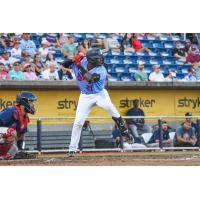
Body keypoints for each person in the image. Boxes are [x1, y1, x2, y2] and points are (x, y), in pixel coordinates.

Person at [63, 49, 133, 157]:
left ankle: (124, 131)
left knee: (109, 106)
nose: (101, 59)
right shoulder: (83, 61)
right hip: (85, 95)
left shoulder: (102, 69)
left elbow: (89, 79)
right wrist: (75, 58)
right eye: (98, 58)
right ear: (91, 60)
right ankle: (72, 149)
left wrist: (77, 64)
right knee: (78, 122)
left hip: (99, 94)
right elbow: (64, 64)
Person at [0, 91, 37, 159]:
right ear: (24, 102)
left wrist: (21, 150)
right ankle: (3, 155)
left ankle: (2, 155)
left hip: (2, 138)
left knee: (15, 151)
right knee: (11, 132)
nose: (32, 104)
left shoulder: (25, 117)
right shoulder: (11, 111)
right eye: (31, 102)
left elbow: (21, 137)